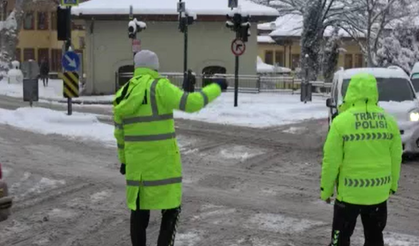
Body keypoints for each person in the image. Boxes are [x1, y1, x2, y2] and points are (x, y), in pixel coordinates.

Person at [113, 50, 227, 246]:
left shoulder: (123, 93)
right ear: (155, 68)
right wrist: (216, 87)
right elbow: (192, 103)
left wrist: (124, 161)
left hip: (137, 170)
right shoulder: (160, 87)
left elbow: (120, 135)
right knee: (171, 211)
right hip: (163, 167)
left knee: (139, 214)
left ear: (136, 68)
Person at [321, 73, 402, 246]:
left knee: (339, 240)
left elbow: (331, 160)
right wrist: (392, 186)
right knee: (374, 239)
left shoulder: (341, 122)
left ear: (350, 92)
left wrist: (326, 190)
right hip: (378, 195)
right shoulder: (389, 122)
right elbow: (396, 158)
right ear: (374, 93)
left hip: (348, 196)